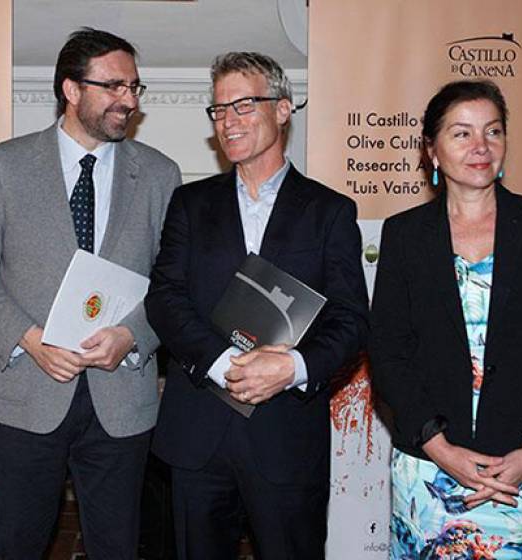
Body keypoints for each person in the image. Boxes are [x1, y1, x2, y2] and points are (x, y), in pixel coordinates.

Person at [0, 27, 181, 560]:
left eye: (135, 87)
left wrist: (131, 335)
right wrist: (29, 339)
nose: (128, 99)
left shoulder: (160, 174)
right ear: (71, 90)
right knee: (18, 546)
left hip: (121, 400)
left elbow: (175, 282)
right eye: (114, 86)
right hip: (26, 396)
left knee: (118, 547)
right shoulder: (6, 164)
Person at [145, 51, 369, 560]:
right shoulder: (190, 203)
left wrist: (290, 367)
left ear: (284, 110)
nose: (228, 121)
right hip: (198, 433)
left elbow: (351, 319)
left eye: (243, 106)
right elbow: (165, 296)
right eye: (219, 110)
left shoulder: (330, 211)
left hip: (286, 436)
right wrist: (222, 364)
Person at [370, 79, 522, 559]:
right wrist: (442, 451)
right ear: (432, 150)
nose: (481, 147)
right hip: (431, 472)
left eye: (493, 131)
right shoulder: (404, 235)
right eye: (461, 133)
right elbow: (388, 351)